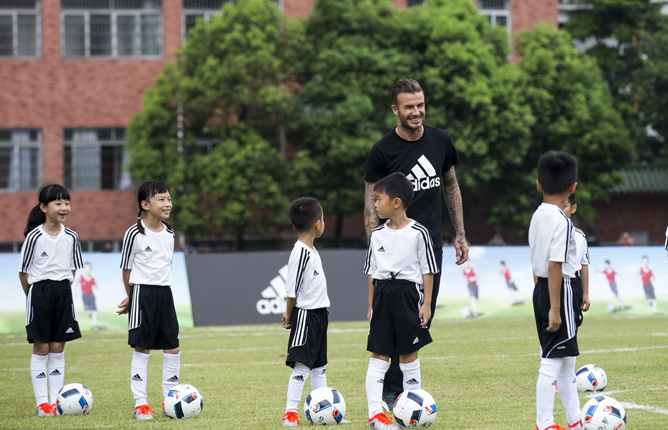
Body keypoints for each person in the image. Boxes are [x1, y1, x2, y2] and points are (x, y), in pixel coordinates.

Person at [364, 78, 469, 410]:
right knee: (394, 321)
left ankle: (399, 388)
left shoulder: (441, 140)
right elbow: (370, 202)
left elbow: (450, 186)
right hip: (394, 251)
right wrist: (374, 246)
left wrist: (460, 233)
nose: (416, 112)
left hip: (429, 246)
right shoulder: (382, 150)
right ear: (395, 110)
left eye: (420, 105)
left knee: (421, 318)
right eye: (408, 106)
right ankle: (393, 390)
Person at [363, 172, 439, 429]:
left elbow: (428, 270)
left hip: (409, 296)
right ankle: (375, 412)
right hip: (383, 295)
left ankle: (410, 407)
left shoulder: (419, 232)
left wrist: (426, 303)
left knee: (409, 353)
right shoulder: (377, 234)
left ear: (396, 202)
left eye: (378, 199)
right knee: (379, 353)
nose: (374, 204)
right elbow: (372, 273)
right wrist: (371, 306)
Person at [528, 150, 585, 430]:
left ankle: (575, 421)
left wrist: (544, 299)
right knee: (551, 361)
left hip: (541, 288)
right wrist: (554, 307)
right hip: (558, 291)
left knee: (566, 361)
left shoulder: (537, 215)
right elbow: (555, 265)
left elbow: (537, 261)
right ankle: (546, 424)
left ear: (539, 184)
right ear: (573, 187)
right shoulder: (562, 221)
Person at [116, 181, 180, 420]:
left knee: (172, 347)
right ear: (145, 204)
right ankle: (140, 404)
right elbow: (126, 270)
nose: (167, 204)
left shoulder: (170, 233)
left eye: (169, 199)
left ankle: (170, 401)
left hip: (165, 294)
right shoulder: (134, 233)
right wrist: (132, 297)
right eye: (161, 199)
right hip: (142, 294)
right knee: (142, 347)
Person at [18, 184, 84, 417]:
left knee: (57, 346)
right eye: (58, 203)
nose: (64, 207)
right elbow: (23, 273)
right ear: (44, 207)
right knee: (42, 347)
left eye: (67, 203)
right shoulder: (34, 237)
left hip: (63, 292)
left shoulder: (72, 236)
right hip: (39, 293)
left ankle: (56, 402)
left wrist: (62, 289)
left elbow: (73, 269)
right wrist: (33, 297)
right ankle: (42, 404)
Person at [280, 197, 337, 426]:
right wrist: (288, 314)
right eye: (323, 218)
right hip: (305, 315)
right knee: (302, 366)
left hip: (320, 315)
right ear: (317, 223)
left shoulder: (312, 250)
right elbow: (292, 290)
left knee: (319, 367)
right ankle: (290, 412)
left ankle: (322, 411)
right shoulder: (301, 253)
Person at [77, 262, 99, 330]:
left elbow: (96, 286)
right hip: (85, 296)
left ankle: (94, 326)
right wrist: (75, 291)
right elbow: (76, 284)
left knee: (94, 311)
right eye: (86, 268)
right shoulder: (81, 277)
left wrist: (95, 287)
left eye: (89, 268)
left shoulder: (92, 279)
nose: (88, 270)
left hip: (91, 295)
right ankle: (89, 314)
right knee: (88, 312)